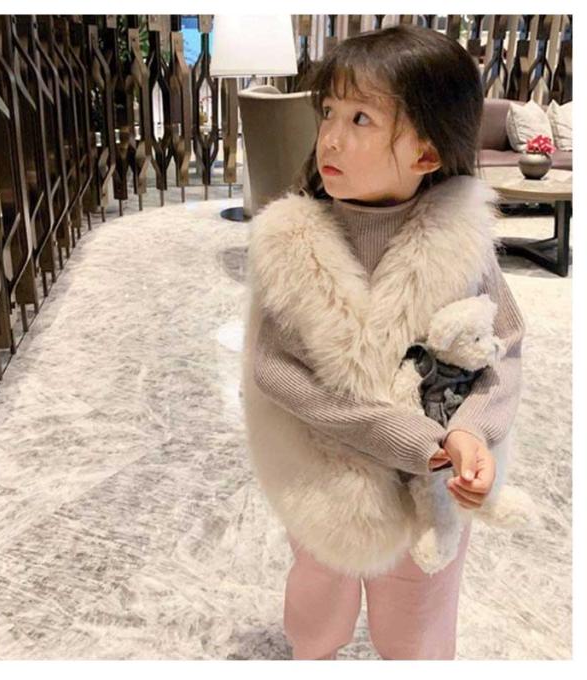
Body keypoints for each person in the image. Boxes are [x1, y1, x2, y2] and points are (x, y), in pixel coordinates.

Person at [240, 24, 525, 660]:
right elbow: (275, 370)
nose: (330, 137)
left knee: (419, 620)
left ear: (427, 152)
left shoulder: (461, 241)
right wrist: (399, 435)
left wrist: (472, 432)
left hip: (435, 483)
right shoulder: (291, 244)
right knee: (318, 605)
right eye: (328, 112)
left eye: (361, 118)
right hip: (323, 468)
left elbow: (503, 347)